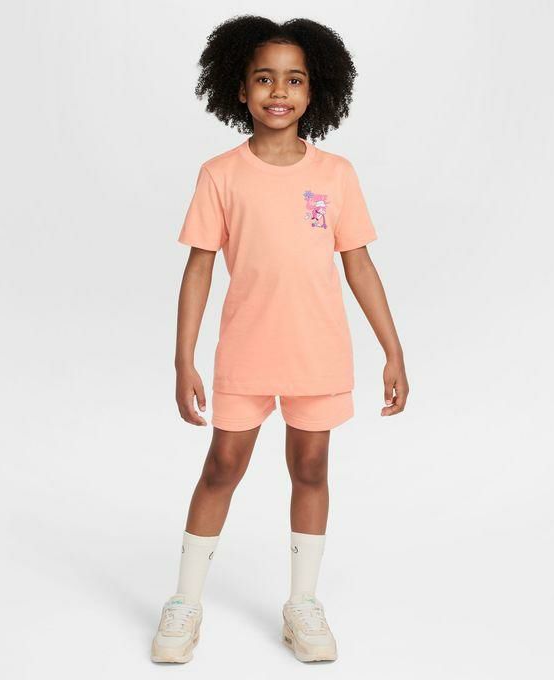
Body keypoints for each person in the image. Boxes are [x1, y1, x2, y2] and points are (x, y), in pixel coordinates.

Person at [151, 15, 409, 664]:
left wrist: (393, 349)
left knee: (311, 468)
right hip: (246, 352)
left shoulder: (336, 174)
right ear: (239, 89)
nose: (279, 91)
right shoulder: (220, 175)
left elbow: (359, 264)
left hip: (318, 352)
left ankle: (303, 603)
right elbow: (199, 269)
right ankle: (184, 602)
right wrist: (183, 358)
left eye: (294, 80)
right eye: (264, 78)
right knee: (222, 466)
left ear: (313, 91)